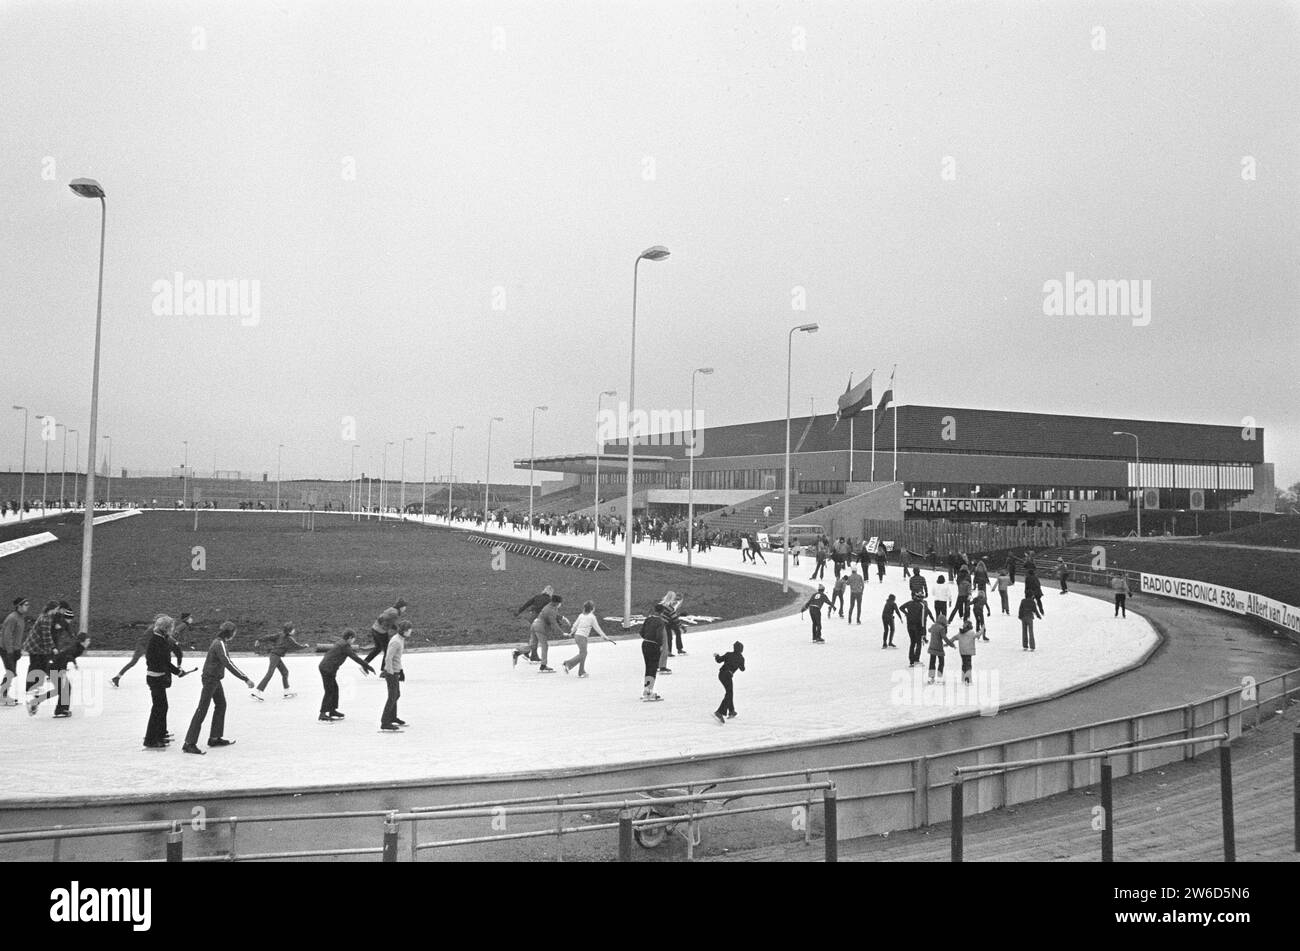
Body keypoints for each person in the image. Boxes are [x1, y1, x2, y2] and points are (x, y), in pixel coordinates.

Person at [183, 621, 255, 753]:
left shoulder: (219, 641)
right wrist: (245, 678)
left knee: (221, 704)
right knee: (202, 709)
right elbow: (228, 662)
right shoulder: (219, 643)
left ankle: (215, 737)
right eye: (234, 632)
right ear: (230, 633)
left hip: (214, 679)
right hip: (210, 679)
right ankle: (189, 743)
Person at [143, 615, 187, 749]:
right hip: (155, 678)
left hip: (157, 676)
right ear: (166, 628)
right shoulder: (157, 640)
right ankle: (150, 739)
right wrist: (178, 671)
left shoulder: (160, 639)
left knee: (162, 707)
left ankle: (161, 734)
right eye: (171, 627)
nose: (172, 630)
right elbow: (164, 661)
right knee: (158, 708)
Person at [112, 613, 190, 687]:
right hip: (142, 646)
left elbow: (167, 637)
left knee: (152, 661)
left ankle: (150, 678)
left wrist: (177, 643)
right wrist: (177, 643)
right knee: (134, 662)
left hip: (148, 647)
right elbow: (168, 637)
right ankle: (117, 677)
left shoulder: (155, 627)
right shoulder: (154, 628)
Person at [318, 628, 374, 720]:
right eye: (353, 639)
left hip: (328, 668)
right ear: (350, 637)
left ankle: (332, 710)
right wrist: (368, 666)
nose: (354, 640)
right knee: (329, 691)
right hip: (327, 669)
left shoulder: (341, 643)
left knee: (334, 689)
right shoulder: (345, 646)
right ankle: (322, 714)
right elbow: (355, 657)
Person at [21, 601, 59, 716]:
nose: (56, 611)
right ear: (52, 609)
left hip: (36, 646)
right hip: (36, 646)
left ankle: (34, 687)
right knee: (37, 666)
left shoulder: (44, 616)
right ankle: (32, 687)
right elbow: (46, 636)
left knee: (38, 666)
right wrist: (53, 648)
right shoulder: (46, 619)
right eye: (56, 609)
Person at [251, 623, 308, 699]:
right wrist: (305, 646)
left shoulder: (280, 635)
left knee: (285, 672)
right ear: (289, 631)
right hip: (275, 656)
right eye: (292, 629)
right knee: (270, 674)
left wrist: (259, 640)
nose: (294, 630)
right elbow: (297, 646)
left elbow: (269, 637)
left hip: (275, 656)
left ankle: (287, 691)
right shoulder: (289, 639)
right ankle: (257, 692)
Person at [563, 601, 614, 677]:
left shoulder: (581, 615)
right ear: (592, 608)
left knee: (583, 653)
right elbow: (597, 628)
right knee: (583, 653)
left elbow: (575, 625)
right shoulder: (592, 617)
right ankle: (568, 663)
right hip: (582, 637)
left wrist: (571, 633)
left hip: (577, 636)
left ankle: (581, 671)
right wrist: (605, 636)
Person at [380, 620, 411, 731]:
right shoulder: (396, 641)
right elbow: (388, 657)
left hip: (395, 671)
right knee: (392, 696)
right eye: (409, 630)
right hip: (391, 672)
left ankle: (392, 717)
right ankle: (384, 722)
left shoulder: (400, 639)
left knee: (396, 694)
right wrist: (390, 672)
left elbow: (397, 658)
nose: (410, 631)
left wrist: (401, 670)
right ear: (404, 631)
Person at [512, 586, 552, 665]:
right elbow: (548, 612)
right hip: (539, 619)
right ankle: (519, 650)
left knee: (534, 637)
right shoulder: (549, 600)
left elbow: (527, 604)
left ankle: (533, 656)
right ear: (550, 592)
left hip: (532, 618)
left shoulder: (537, 596)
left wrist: (519, 612)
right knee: (536, 638)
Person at [0, 597, 29, 707]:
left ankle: (4, 694)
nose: (27, 606)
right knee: (11, 671)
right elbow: (7, 636)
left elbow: (17, 636)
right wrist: (10, 652)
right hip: (6, 649)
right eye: (25, 604)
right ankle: (2, 695)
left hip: (13, 650)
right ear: (19, 606)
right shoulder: (12, 618)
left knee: (11, 672)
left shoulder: (21, 617)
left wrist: (18, 650)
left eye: (28, 604)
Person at [365, 598, 409, 667]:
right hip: (380, 632)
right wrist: (397, 629)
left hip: (374, 629)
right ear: (401, 607)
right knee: (388, 650)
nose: (405, 608)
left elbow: (386, 620)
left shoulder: (391, 609)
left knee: (378, 648)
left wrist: (396, 628)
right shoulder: (395, 613)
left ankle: (364, 663)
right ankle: (384, 670)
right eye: (405, 606)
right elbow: (387, 624)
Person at [532, 596, 569, 673]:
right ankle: (543, 666)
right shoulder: (551, 609)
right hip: (540, 627)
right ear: (556, 603)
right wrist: (562, 633)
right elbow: (554, 623)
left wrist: (563, 618)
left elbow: (554, 615)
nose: (560, 604)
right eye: (560, 603)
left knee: (534, 644)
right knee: (545, 646)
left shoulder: (550, 606)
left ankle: (519, 651)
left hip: (535, 624)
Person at [639, 604, 668, 701]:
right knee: (653, 668)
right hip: (654, 645)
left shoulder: (648, 619)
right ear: (662, 612)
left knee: (648, 667)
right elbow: (659, 635)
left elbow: (641, 632)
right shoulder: (660, 621)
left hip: (645, 644)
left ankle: (646, 689)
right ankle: (649, 692)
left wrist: (647, 637)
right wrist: (660, 645)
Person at [712, 641, 745, 724]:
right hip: (728, 675)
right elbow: (742, 669)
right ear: (741, 649)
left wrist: (716, 656)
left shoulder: (728, 654)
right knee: (729, 693)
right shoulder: (741, 658)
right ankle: (720, 712)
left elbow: (719, 660)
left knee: (729, 692)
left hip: (721, 674)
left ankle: (731, 711)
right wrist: (740, 662)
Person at [900, 595, 934, 666]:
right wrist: (924, 632)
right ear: (921, 599)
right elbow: (922, 620)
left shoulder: (909, 603)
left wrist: (907, 614)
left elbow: (901, 607)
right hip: (918, 627)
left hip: (909, 626)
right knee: (919, 643)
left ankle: (911, 661)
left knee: (912, 643)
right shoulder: (922, 606)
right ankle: (916, 660)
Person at [927, 616, 955, 684]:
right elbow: (944, 638)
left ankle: (931, 678)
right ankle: (939, 678)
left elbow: (929, 630)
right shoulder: (941, 628)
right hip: (938, 647)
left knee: (932, 662)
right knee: (941, 662)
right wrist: (951, 644)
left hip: (932, 646)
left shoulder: (933, 626)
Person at [954, 619, 978, 685]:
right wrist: (982, 630)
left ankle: (963, 679)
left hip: (962, 652)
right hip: (968, 652)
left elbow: (953, 638)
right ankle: (968, 680)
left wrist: (948, 643)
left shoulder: (960, 633)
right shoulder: (971, 633)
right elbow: (977, 635)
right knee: (968, 665)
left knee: (964, 664)